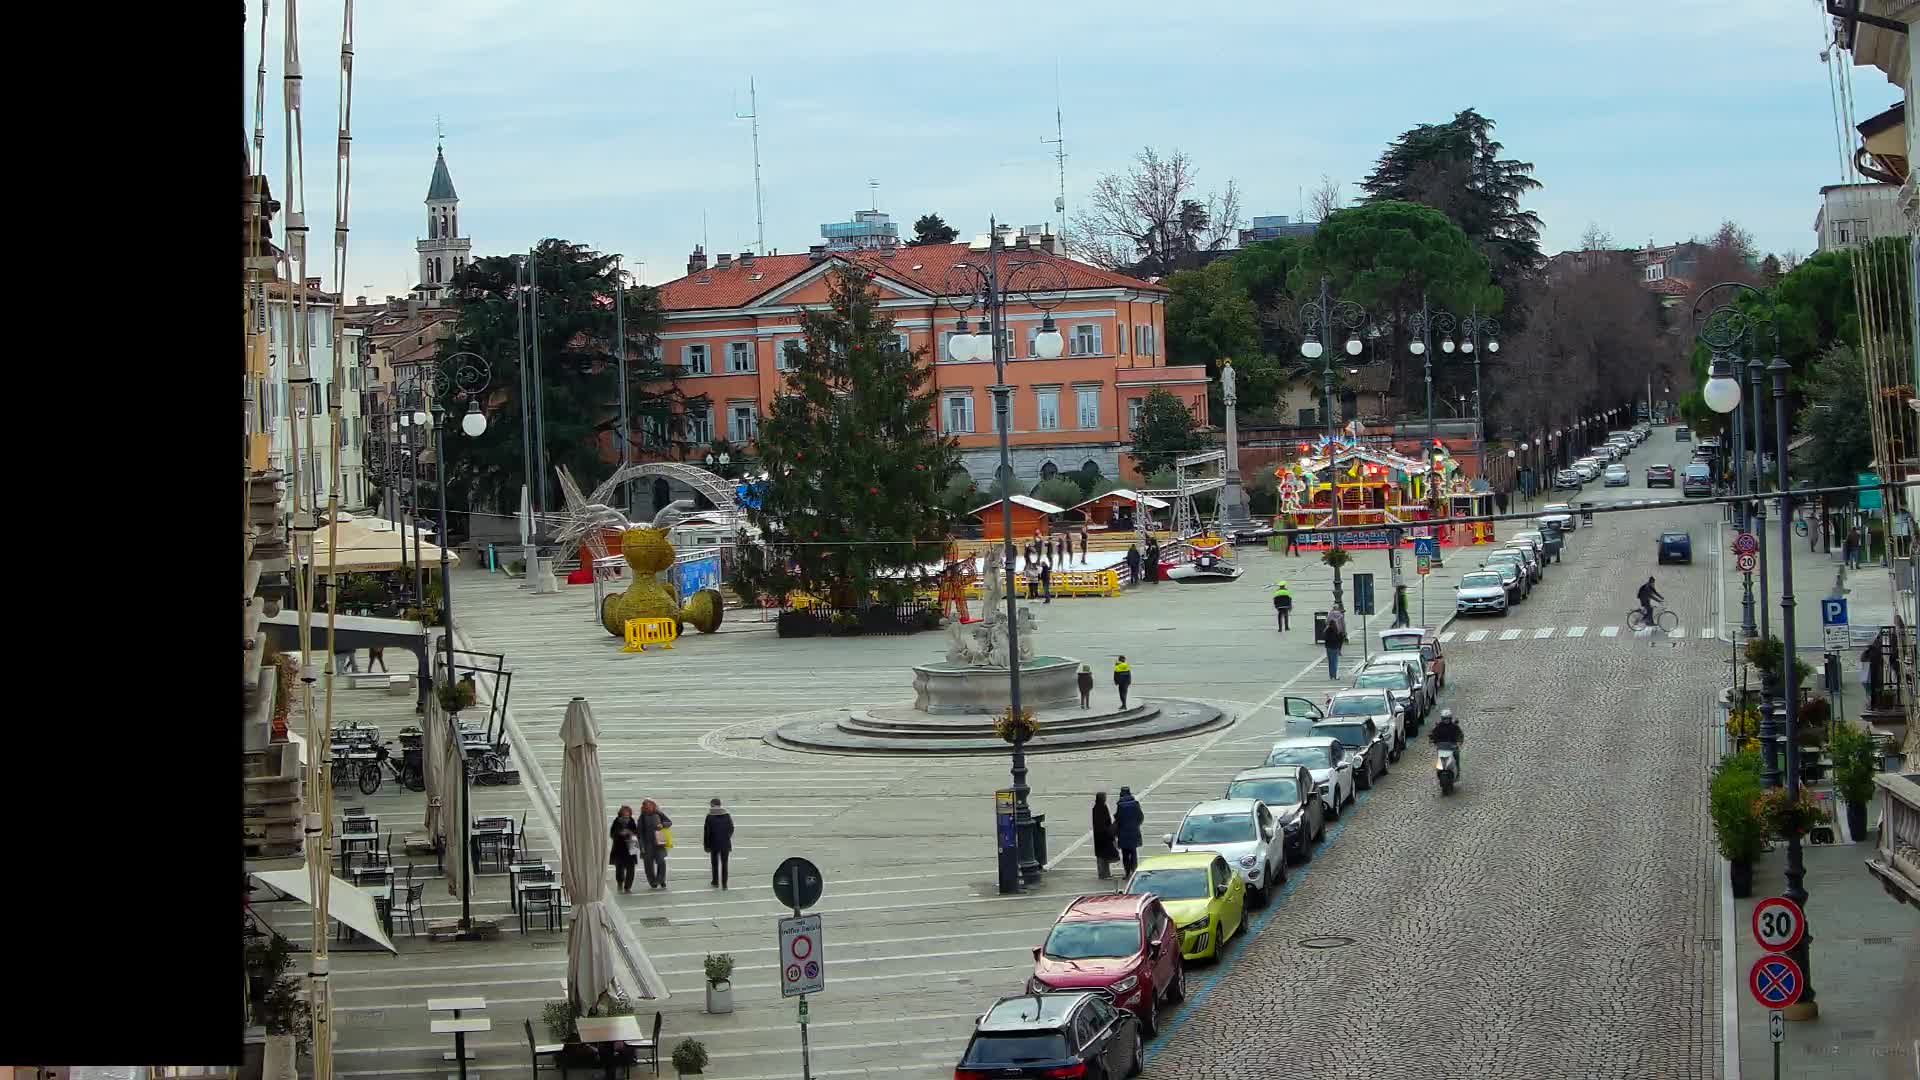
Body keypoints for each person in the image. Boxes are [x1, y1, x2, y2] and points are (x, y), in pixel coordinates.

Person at [638, 799, 673, 889]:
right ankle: (652, 881)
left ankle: (661, 879)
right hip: (647, 843)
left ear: (653, 806)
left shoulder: (659, 813)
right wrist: (642, 846)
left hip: (659, 840)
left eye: (649, 806)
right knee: (648, 864)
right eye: (646, 807)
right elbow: (640, 833)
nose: (648, 808)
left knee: (661, 861)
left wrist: (662, 824)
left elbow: (669, 822)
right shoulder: (642, 817)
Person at [609, 805, 642, 894]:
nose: (626, 813)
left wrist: (630, 832)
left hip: (631, 846)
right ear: (621, 812)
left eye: (628, 811)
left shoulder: (631, 821)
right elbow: (612, 834)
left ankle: (628, 886)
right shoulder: (617, 821)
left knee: (631, 868)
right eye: (624, 811)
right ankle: (620, 882)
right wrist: (620, 833)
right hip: (619, 847)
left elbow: (636, 832)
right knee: (619, 867)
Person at [702, 798, 734, 889]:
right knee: (725, 864)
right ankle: (724, 884)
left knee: (714, 863)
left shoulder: (709, 816)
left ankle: (715, 881)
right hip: (725, 843)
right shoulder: (727, 815)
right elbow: (731, 828)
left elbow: (707, 833)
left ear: (712, 805)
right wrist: (726, 837)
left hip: (713, 843)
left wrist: (706, 846)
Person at [1113, 786, 1144, 877]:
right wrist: (1135, 825)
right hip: (1134, 832)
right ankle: (1134, 870)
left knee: (1125, 854)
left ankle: (1127, 873)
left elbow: (1118, 819)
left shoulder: (1120, 805)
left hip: (1123, 833)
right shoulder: (1135, 804)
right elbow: (1140, 817)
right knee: (1133, 853)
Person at [1092, 791, 1119, 879]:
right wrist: (1109, 831)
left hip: (1099, 835)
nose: (1105, 798)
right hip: (1103, 835)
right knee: (1103, 856)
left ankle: (1104, 873)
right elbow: (1104, 822)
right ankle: (1103, 874)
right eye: (1104, 797)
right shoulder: (1101, 808)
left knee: (1103, 855)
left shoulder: (1097, 808)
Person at [1429, 708, 1464, 777]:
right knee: (1439, 758)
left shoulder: (1454, 726)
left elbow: (1460, 734)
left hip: (1452, 746)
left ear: (1450, 718)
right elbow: (1433, 733)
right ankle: (1439, 770)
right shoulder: (1438, 726)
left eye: (1448, 719)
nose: (1446, 720)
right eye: (1445, 719)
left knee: (1456, 755)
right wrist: (1432, 739)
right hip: (1442, 747)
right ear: (1442, 719)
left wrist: (1460, 741)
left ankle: (1458, 770)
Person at [1324, 605, 1347, 679]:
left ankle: (1331, 675)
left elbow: (1326, 622)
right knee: (1335, 661)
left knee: (1330, 661)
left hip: (1328, 646)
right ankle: (1334, 675)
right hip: (1336, 645)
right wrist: (1344, 632)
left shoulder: (1330, 615)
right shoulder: (1340, 615)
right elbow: (1343, 625)